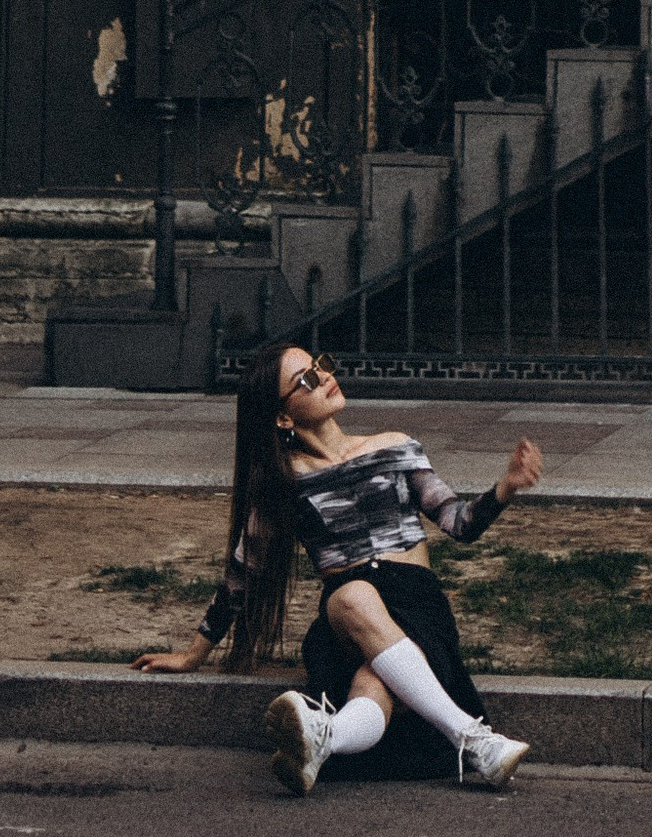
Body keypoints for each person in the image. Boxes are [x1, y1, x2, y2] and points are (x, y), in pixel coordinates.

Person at [138, 336, 543, 795]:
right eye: (306, 379)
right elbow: (243, 574)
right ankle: (477, 741)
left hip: (415, 606)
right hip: (344, 618)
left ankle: (324, 739)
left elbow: (460, 523)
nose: (326, 376)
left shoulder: (395, 446)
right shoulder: (283, 482)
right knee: (353, 593)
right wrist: (195, 654)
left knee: (375, 682)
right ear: (283, 416)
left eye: (321, 366)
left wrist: (504, 489)